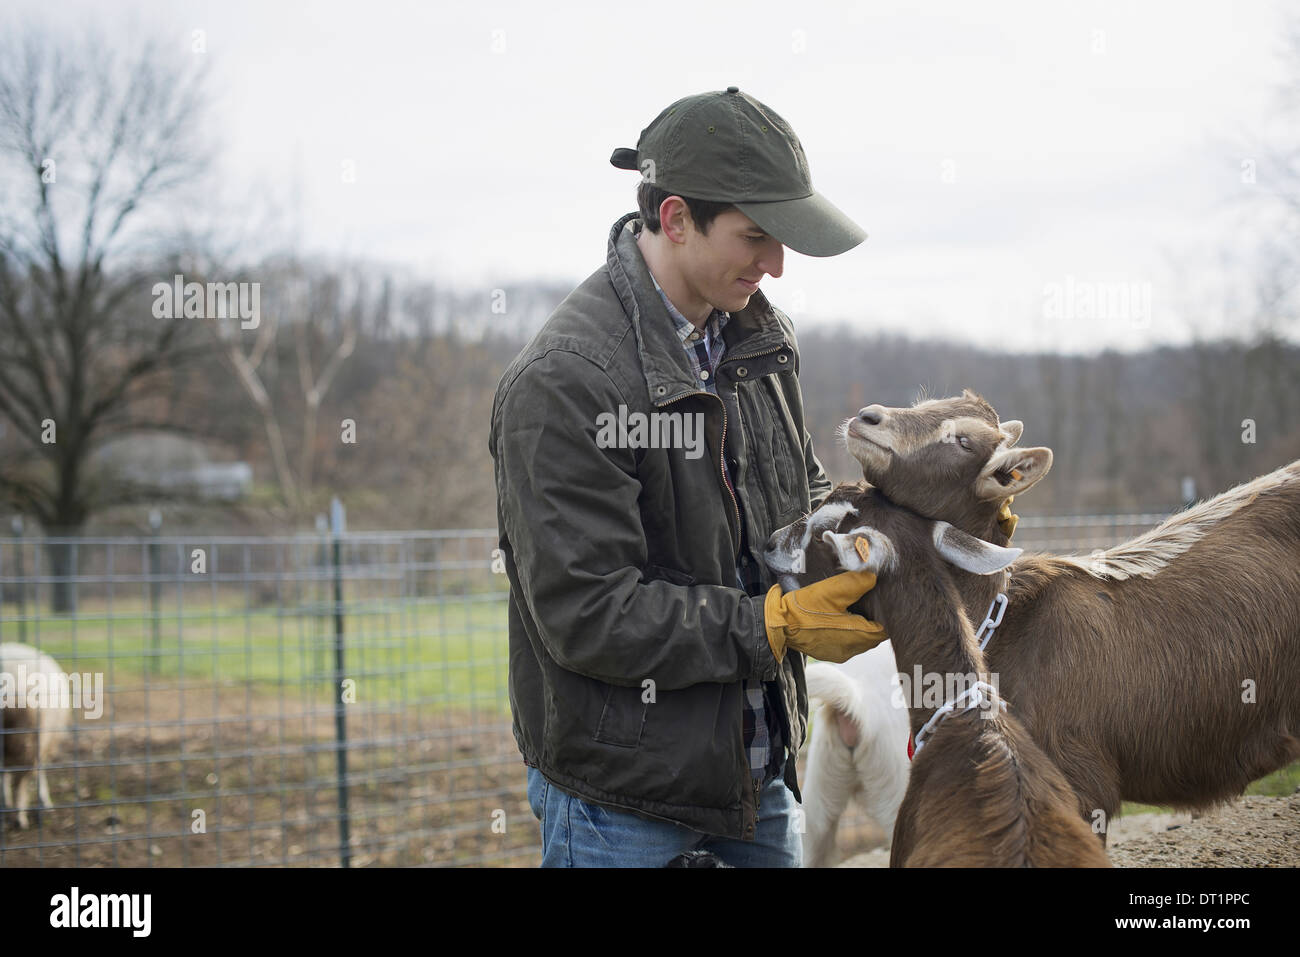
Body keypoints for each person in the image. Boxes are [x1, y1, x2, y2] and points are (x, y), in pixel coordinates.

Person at [489, 87, 889, 868]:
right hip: (621, 800)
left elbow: (799, 503)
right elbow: (589, 610)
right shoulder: (567, 381)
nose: (776, 264)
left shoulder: (759, 341)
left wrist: (915, 522)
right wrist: (769, 626)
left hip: (754, 774)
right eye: (756, 236)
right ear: (675, 219)